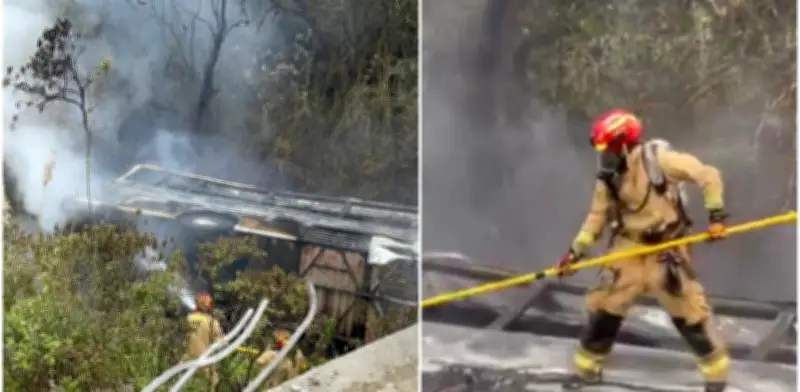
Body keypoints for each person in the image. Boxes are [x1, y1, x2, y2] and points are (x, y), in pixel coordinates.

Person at [558, 109, 730, 392]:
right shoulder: (608, 178)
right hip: (629, 248)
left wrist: (717, 216)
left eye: (610, 149)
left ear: (626, 145)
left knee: (691, 313)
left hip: (667, 249)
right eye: (602, 151)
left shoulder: (659, 160)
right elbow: (596, 218)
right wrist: (575, 252)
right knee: (604, 307)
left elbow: (708, 175)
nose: (606, 156)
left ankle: (716, 378)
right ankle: (587, 370)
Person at [186, 292, 223, 388]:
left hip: (188, 359)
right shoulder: (212, 322)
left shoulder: (189, 319)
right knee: (213, 383)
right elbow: (220, 341)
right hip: (205, 360)